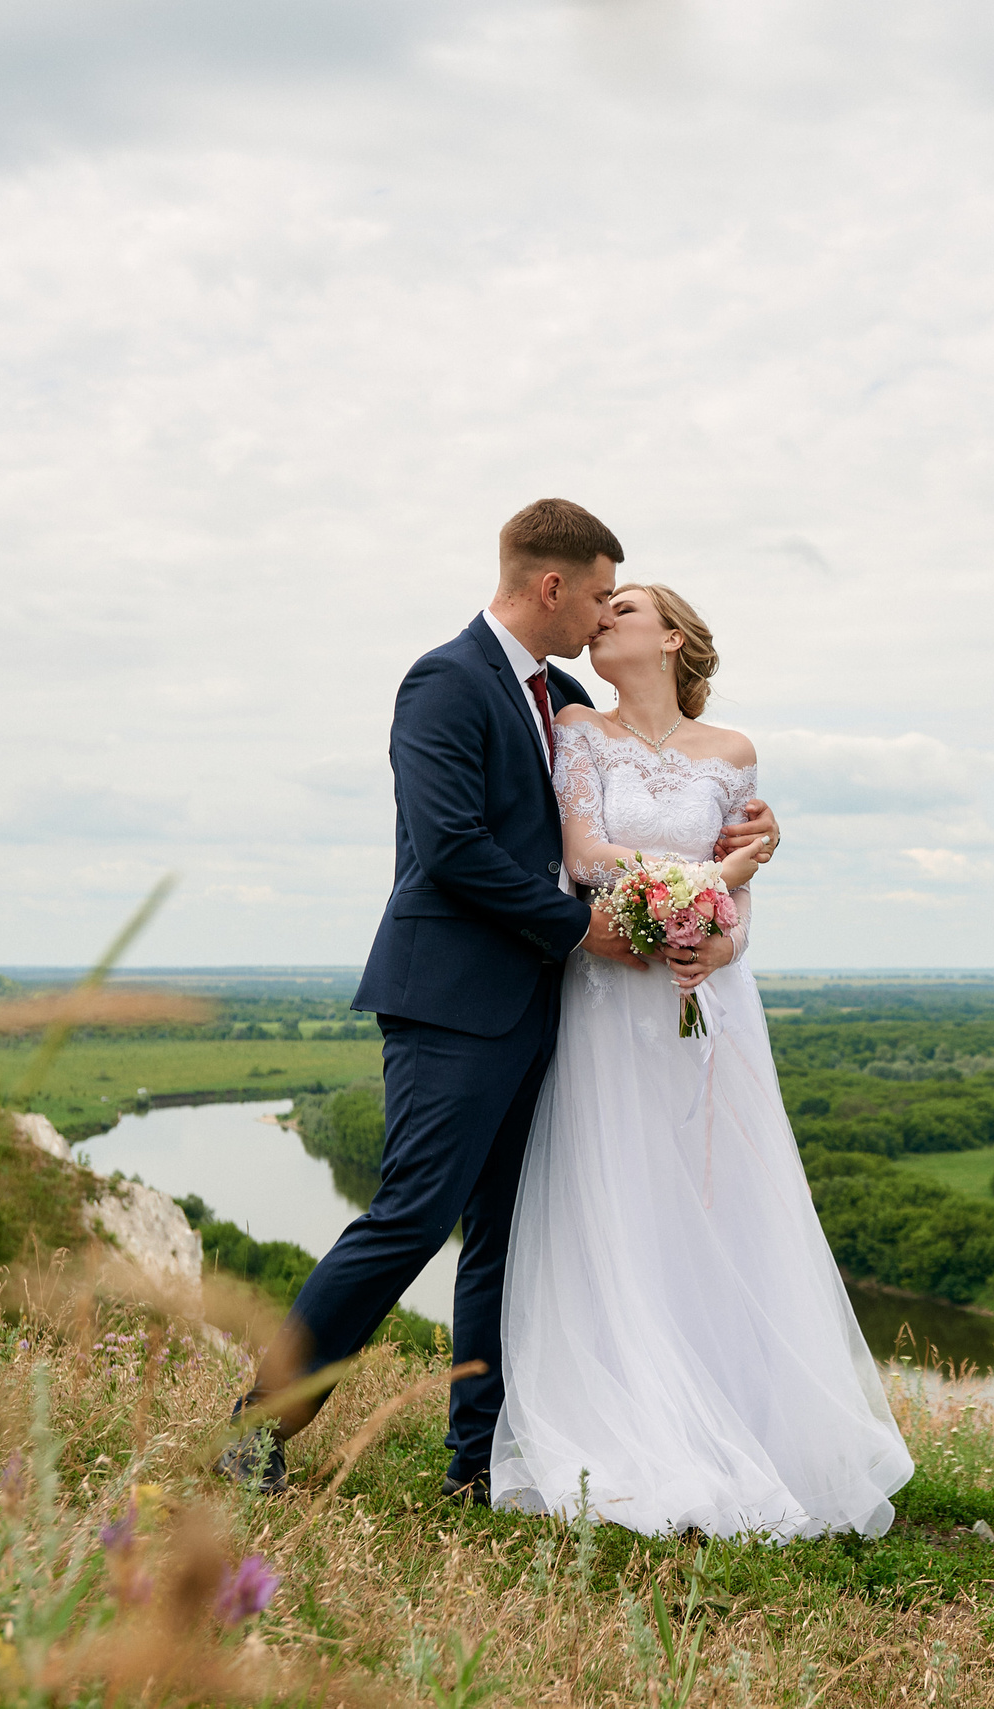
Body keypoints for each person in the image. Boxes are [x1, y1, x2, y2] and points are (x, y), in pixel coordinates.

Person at [223, 499, 782, 1498]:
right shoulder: (445, 681)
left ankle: (474, 1464)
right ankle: (254, 1432)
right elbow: (452, 849)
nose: (604, 614)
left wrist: (742, 849)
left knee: (504, 1237)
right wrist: (587, 930)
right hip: (450, 997)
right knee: (406, 1216)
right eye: (601, 594)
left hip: (546, 1010)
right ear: (552, 585)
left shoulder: (562, 695)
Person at [487, 582, 914, 1538]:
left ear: (672, 636)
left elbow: (745, 915)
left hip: (706, 999)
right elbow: (587, 854)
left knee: (717, 1197)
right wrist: (716, 879)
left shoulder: (734, 754)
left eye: (625, 609)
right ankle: (635, 1422)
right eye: (601, 608)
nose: (604, 620)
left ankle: (742, 1418)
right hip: (610, 995)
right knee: (622, 1186)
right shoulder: (579, 732)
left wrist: (721, 938)